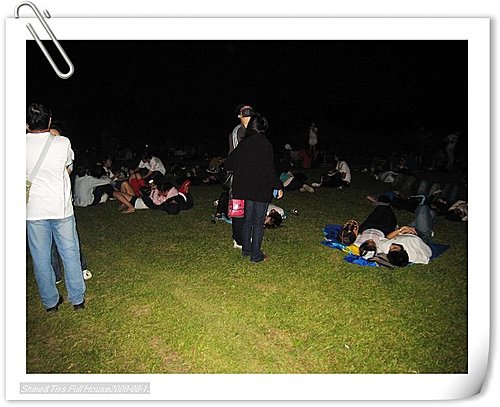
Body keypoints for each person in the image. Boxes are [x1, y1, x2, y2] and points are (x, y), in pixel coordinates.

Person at [26, 103, 86, 311]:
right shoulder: (62, 142)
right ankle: (77, 299)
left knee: (40, 258)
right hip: (61, 209)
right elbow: (68, 166)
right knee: (70, 253)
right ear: (49, 121)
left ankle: (50, 302)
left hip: (33, 211)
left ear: (26, 124)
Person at [223, 114, 284, 263]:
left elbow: (229, 164)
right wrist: (278, 186)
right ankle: (255, 255)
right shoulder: (265, 143)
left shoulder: (244, 143)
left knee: (248, 221)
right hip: (261, 189)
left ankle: (247, 249)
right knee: (258, 223)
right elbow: (270, 169)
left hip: (245, 189)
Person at [226, 104, 255, 249]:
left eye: (250, 110)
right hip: (239, 175)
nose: (248, 113)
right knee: (238, 206)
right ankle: (238, 239)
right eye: (245, 111)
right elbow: (239, 155)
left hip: (249, 175)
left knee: (249, 205)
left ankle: (245, 235)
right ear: (240, 115)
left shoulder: (252, 130)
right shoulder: (239, 131)